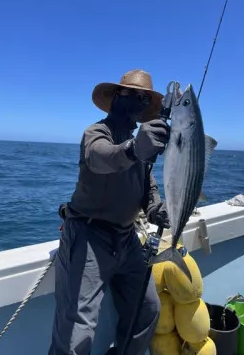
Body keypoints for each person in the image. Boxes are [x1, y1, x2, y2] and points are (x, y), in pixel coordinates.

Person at [48, 69, 171, 355]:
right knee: (76, 333)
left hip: (127, 241)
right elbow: (100, 158)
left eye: (144, 98)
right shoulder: (96, 133)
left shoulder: (142, 144)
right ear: (116, 97)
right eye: (132, 94)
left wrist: (154, 208)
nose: (138, 101)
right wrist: (133, 149)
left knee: (147, 309)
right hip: (89, 237)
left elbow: (147, 184)